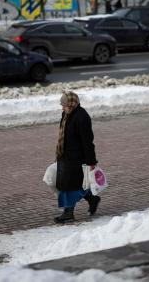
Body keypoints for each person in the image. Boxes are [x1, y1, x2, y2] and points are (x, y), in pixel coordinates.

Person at [54, 90, 100, 223]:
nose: (62, 108)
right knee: (74, 184)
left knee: (68, 186)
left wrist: (91, 161)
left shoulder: (82, 117)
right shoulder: (66, 114)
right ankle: (92, 199)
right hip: (65, 156)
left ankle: (68, 212)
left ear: (72, 104)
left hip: (76, 158)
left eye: (64, 105)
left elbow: (87, 142)